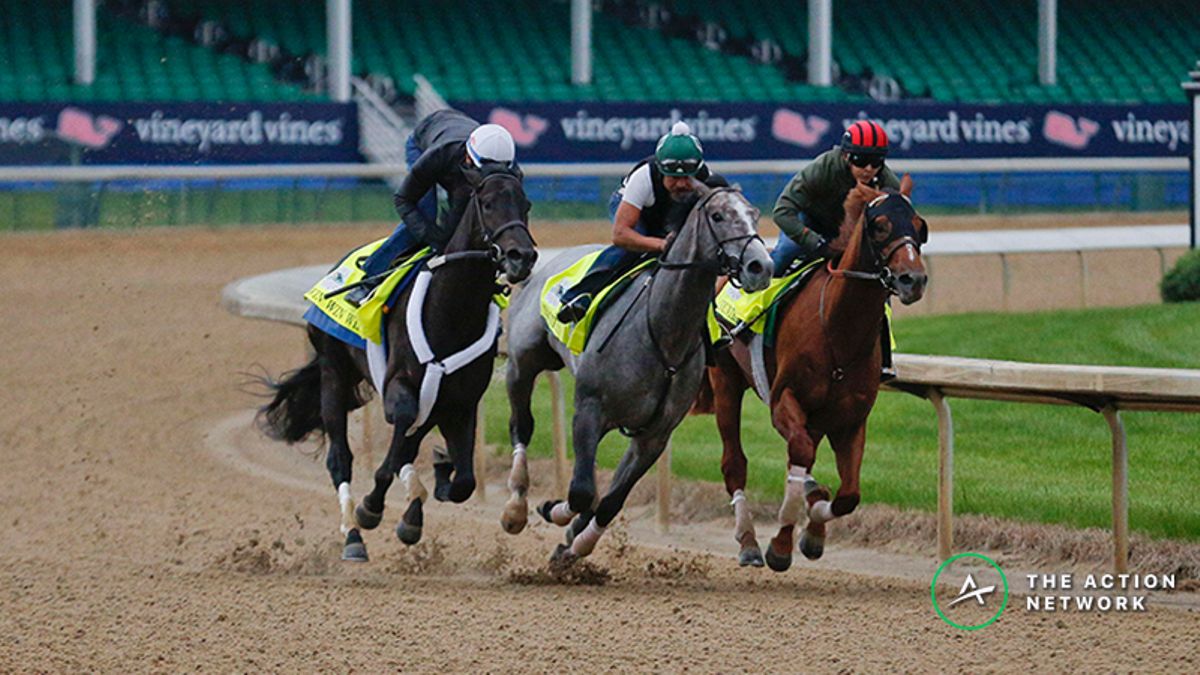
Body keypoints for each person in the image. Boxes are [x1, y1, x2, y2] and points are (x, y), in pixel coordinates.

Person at [556, 121, 728, 322]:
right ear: (661, 170)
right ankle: (580, 295)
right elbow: (621, 235)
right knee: (632, 247)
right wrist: (661, 244)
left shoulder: (711, 182)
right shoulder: (644, 177)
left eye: (687, 178)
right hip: (636, 210)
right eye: (673, 178)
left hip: (672, 214)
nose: (681, 184)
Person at [769, 119, 901, 378]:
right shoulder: (821, 169)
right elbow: (782, 212)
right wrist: (813, 242)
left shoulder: (888, 183)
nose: (869, 169)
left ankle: (884, 358)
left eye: (876, 162)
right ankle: (751, 322)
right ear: (845, 156)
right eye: (861, 161)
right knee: (783, 257)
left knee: (879, 289)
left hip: (852, 234)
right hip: (811, 223)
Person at [345, 109, 518, 305]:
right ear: (469, 158)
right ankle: (369, 280)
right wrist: (431, 238)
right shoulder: (440, 154)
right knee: (425, 211)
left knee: (472, 222)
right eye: (481, 172)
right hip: (425, 141)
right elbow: (403, 199)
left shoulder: (508, 169)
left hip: (455, 133)